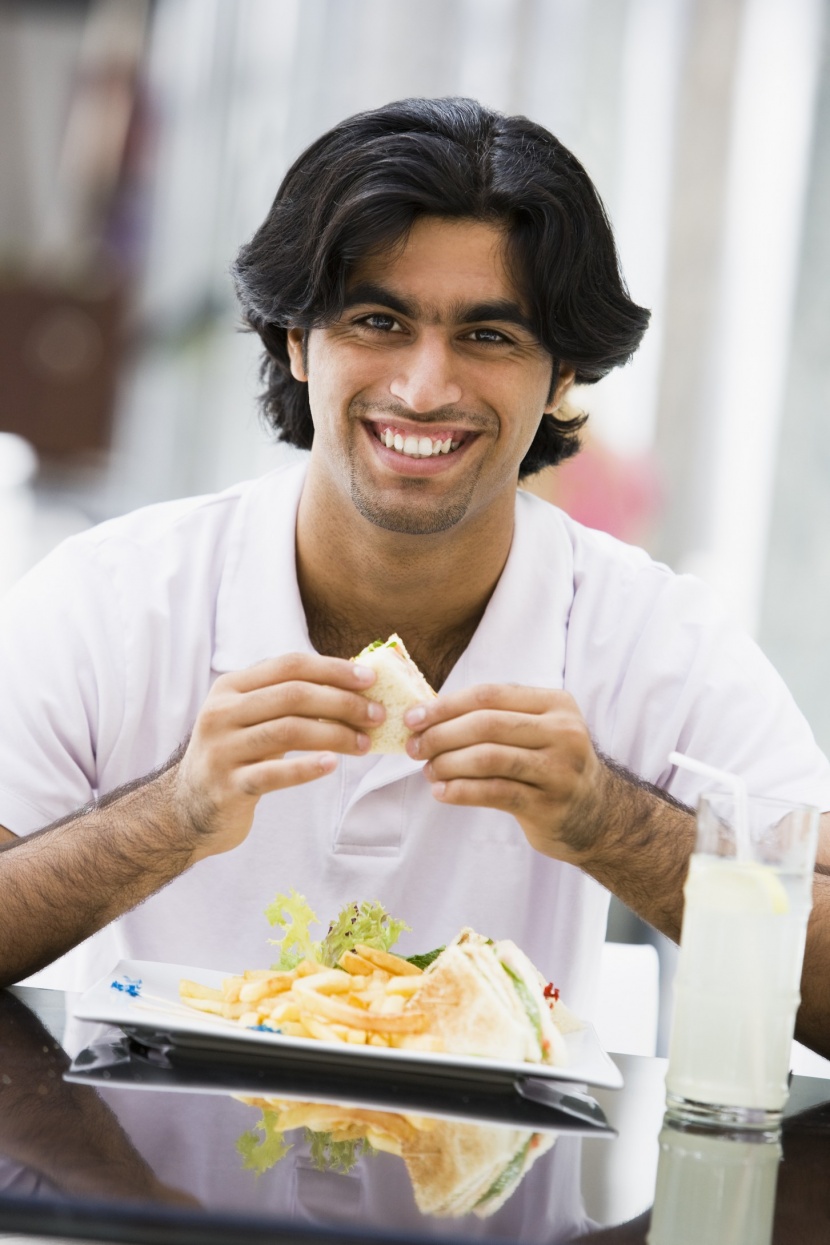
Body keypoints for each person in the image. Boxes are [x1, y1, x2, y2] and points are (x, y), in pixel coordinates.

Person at [0, 98, 828, 1048]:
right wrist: (173, 811)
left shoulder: (654, 639)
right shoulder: (115, 596)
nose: (425, 387)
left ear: (562, 376)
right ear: (293, 340)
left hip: (502, 1191)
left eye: (488, 335)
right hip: (130, 1183)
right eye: (378, 319)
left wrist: (609, 821)